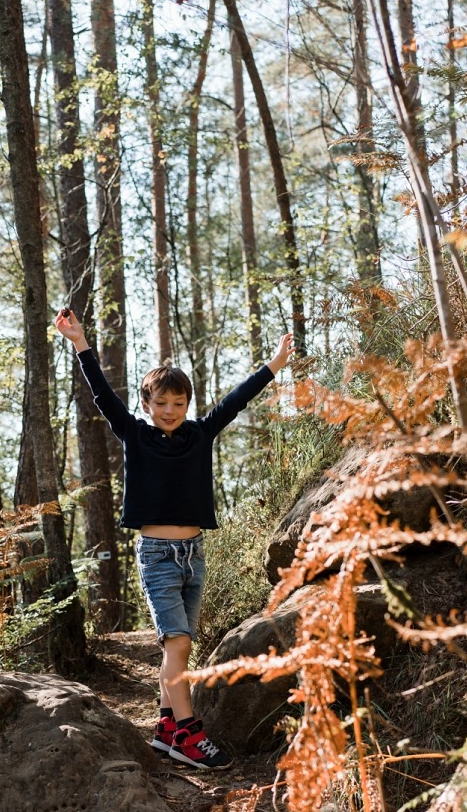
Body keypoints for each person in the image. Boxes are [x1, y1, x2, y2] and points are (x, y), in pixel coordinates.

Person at [53, 308, 294, 769]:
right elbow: (102, 396)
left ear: (187, 405)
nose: (170, 411)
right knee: (179, 644)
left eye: (178, 404)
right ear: (147, 405)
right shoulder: (135, 435)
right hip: (158, 554)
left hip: (194, 554)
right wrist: (80, 343)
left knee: (177, 646)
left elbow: (235, 400)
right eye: (161, 403)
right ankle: (188, 734)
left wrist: (274, 365)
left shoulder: (199, 434)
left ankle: (165, 728)